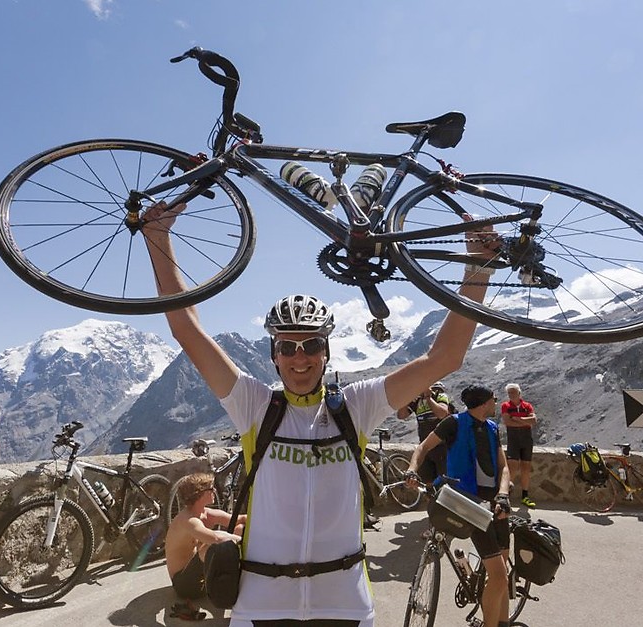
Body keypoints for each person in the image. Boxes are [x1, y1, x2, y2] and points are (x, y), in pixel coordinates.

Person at [142, 201, 498, 626]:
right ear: (274, 355)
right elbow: (186, 328)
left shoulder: (356, 405)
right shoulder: (255, 404)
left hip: (343, 603)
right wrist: (158, 238)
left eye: (311, 345)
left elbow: (445, 357)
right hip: (261, 605)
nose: (300, 357)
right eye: (287, 346)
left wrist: (478, 269)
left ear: (326, 352)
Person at [406, 384, 511, 627]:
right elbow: (422, 448)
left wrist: (504, 494)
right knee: (499, 575)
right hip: (469, 504)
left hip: (497, 503)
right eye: (494, 400)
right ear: (484, 403)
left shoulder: (492, 428)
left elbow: (504, 467)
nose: (495, 403)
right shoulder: (453, 423)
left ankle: (501, 621)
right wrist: (412, 469)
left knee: (501, 577)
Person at [165, 472, 245, 621]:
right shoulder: (188, 520)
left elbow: (240, 519)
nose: (215, 491)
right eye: (211, 488)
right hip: (185, 585)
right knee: (210, 548)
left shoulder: (206, 513)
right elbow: (215, 538)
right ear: (200, 494)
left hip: (202, 576)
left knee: (239, 528)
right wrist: (245, 542)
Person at [397, 381, 454, 483]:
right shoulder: (417, 400)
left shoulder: (440, 396)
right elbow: (401, 415)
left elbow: (442, 413)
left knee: (445, 482)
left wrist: (429, 398)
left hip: (443, 446)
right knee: (426, 482)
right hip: (425, 447)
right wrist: (407, 397)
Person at [500, 383, 537, 508]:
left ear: (519, 393)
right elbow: (508, 422)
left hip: (526, 439)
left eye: (513, 392)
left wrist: (517, 419)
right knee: (513, 468)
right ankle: (505, 496)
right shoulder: (505, 406)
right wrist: (524, 421)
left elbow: (534, 420)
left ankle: (525, 496)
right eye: (509, 393)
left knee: (526, 468)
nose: (511, 395)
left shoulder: (527, 405)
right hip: (514, 440)